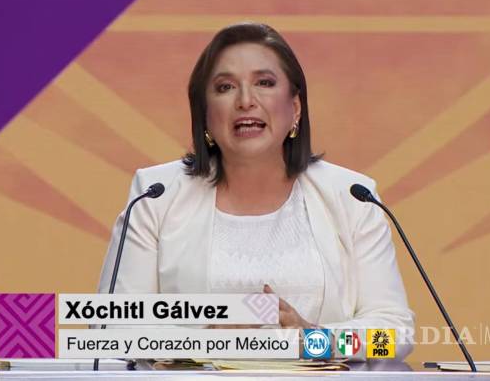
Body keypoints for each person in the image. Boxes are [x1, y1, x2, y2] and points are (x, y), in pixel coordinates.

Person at [98, 22, 414, 360]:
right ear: (205, 116)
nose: (246, 101)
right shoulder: (156, 197)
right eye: (225, 87)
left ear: (295, 108)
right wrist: (204, 340)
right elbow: (112, 330)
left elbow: (395, 336)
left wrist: (318, 341)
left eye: (264, 83)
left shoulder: (353, 196)